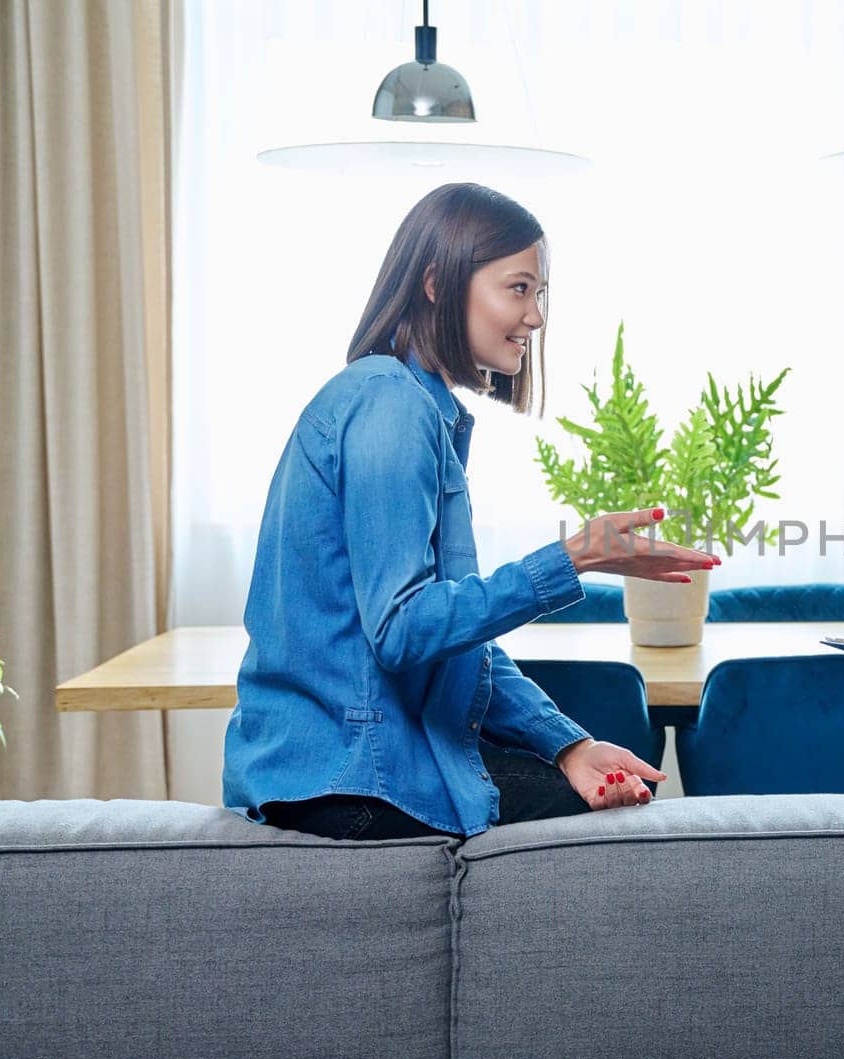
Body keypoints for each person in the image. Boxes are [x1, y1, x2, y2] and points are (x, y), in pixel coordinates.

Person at [224, 183, 718, 841]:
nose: (536, 316)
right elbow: (402, 631)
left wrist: (567, 745)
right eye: (518, 288)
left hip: (334, 765)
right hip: (346, 776)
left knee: (595, 793)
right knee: (614, 832)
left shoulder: (404, 403)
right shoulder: (391, 408)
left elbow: (454, 643)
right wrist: (571, 560)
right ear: (436, 283)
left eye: (539, 294)